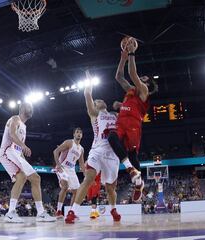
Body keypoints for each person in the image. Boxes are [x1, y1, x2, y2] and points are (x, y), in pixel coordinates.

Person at [65, 70, 121, 224]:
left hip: (112, 153)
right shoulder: (94, 114)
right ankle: (72, 211)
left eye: (99, 100)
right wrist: (88, 82)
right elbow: (87, 95)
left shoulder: (114, 115)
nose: (98, 101)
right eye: (96, 101)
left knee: (111, 187)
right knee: (88, 179)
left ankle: (113, 209)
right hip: (97, 150)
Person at [108, 38, 158, 202]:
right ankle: (131, 171)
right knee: (111, 137)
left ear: (147, 84)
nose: (141, 78)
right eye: (141, 77)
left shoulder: (144, 91)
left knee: (132, 153)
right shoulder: (131, 91)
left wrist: (131, 53)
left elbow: (132, 74)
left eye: (144, 78)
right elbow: (119, 76)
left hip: (134, 125)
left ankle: (138, 185)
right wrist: (122, 58)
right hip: (122, 121)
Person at [0, 102, 55, 223]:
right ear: (21, 108)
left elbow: (19, 149)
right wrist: (24, 146)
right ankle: (36, 213)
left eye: (32, 107)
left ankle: (16, 212)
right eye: (29, 107)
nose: (31, 109)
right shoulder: (15, 119)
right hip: (7, 151)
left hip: (16, 154)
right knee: (32, 178)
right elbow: (12, 135)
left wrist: (23, 157)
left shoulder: (23, 126)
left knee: (28, 178)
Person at [53, 128, 85, 219]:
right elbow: (55, 151)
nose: (79, 134)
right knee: (65, 187)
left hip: (71, 170)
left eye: (80, 133)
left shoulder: (81, 149)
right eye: (77, 132)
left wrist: (86, 175)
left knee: (77, 192)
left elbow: (82, 163)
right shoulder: (69, 142)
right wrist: (58, 164)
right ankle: (58, 211)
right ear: (74, 134)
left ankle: (71, 212)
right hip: (62, 167)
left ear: (82, 135)